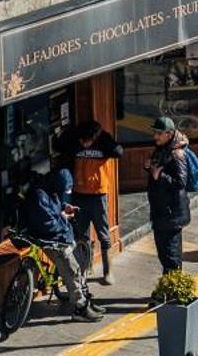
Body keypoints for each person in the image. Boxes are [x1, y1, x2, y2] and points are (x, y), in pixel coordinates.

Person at [19, 153, 103, 321]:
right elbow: (47, 224)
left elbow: (55, 207)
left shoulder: (50, 190)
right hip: (48, 238)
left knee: (78, 264)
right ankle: (79, 307)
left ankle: (85, 297)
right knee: (71, 268)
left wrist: (65, 207)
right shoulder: (39, 196)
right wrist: (63, 217)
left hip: (58, 234)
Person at [67, 119, 120, 284]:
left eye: (87, 140)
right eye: (82, 140)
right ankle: (84, 267)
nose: (84, 144)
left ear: (94, 137)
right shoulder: (75, 143)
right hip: (79, 194)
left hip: (98, 195)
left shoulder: (104, 143)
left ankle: (108, 271)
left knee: (103, 234)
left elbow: (119, 151)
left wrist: (103, 138)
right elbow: (58, 146)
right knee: (80, 235)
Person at [145, 117, 192, 274]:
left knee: (171, 254)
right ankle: (168, 287)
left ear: (169, 134)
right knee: (163, 253)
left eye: (159, 133)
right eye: (155, 133)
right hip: (160, 209)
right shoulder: (162, 147)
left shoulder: (177, 153)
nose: (155, 136)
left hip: (172, 213)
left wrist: (160, 175)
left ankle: (173, 289)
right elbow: (157, 168)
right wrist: (149, 167)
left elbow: (181, 182)